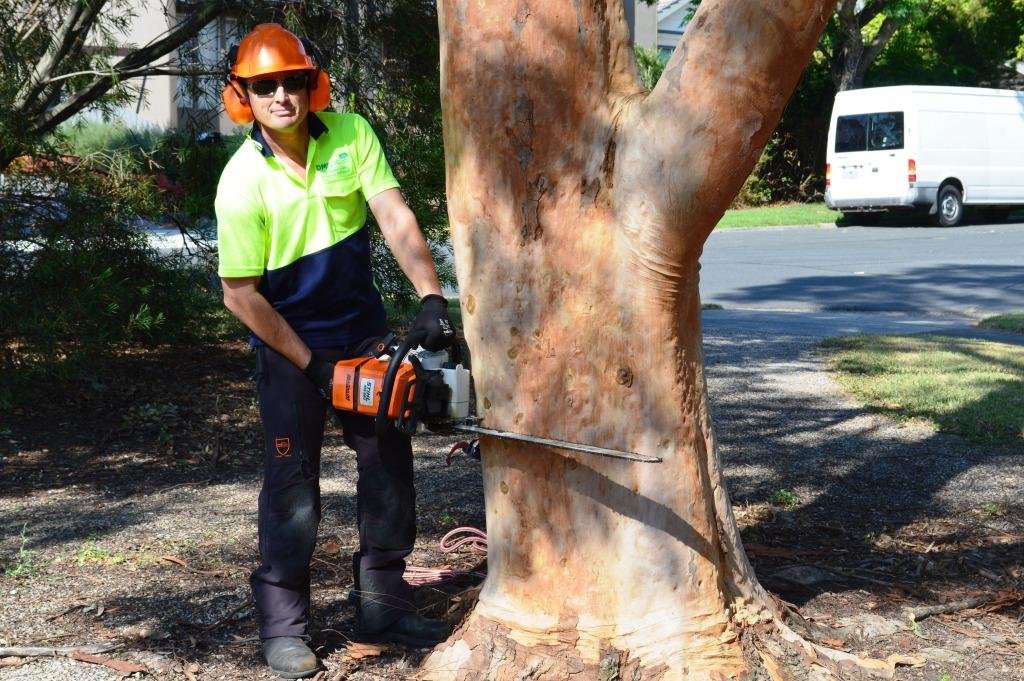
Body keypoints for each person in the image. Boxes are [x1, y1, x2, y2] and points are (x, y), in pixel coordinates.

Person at [215, 23, 455, 679]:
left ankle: (383, 605)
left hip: (364, 334)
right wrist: (312, 365)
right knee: (292, 489)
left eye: (293, 80)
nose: (282, 95)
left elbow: (394, 214)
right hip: (289, 346)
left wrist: (431, 297)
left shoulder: (351, 135)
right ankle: (285, 627)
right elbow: (240, 295)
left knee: (389, 468)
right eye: (265, 86)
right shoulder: (241, 183)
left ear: (311, 83)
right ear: (244, 96)